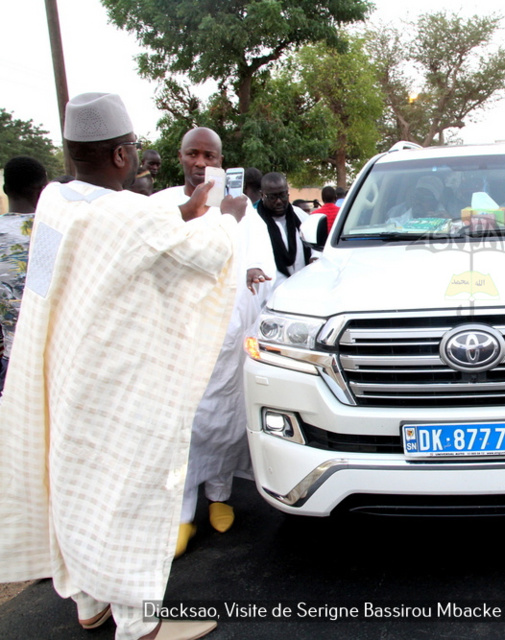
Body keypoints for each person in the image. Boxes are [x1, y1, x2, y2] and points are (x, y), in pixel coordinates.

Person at [0, 92, 245, 640]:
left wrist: (191, 207)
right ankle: (140, 624)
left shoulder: (57, 203)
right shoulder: (126, 215)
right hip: (121, 387)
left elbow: (132, 235)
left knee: (77, 488)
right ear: (118, 155)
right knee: (132, 492)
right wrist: (225, 218)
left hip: (64, 377)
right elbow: (204, 256)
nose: (137, 156)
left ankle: (88, 602)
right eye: (133, 148)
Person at [152, 127, 274, 557]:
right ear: (180, 157)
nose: (201, 163)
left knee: (224, 420)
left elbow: (258, 262)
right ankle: (181, 514)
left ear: (222, 161)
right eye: (193, 154)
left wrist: (253, 273)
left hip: (227, 340)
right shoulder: (160, 206)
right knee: (182, 427)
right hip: (177, 342)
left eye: (210, 155)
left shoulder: (242, 210)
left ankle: (219, 496)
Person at [0, 156, 47, 392]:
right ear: (43, 190)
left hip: (10, 360)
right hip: (52, 359)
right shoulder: (53, 231)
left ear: (6, 189)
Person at [258, 172, 311, 288]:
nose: (278, 201)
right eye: (272, 197)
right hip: (270, 293)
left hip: (302, 287)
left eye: (282, 195)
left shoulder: (301, 216)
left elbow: (315, 244)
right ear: (262, 195)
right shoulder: (254, 222)